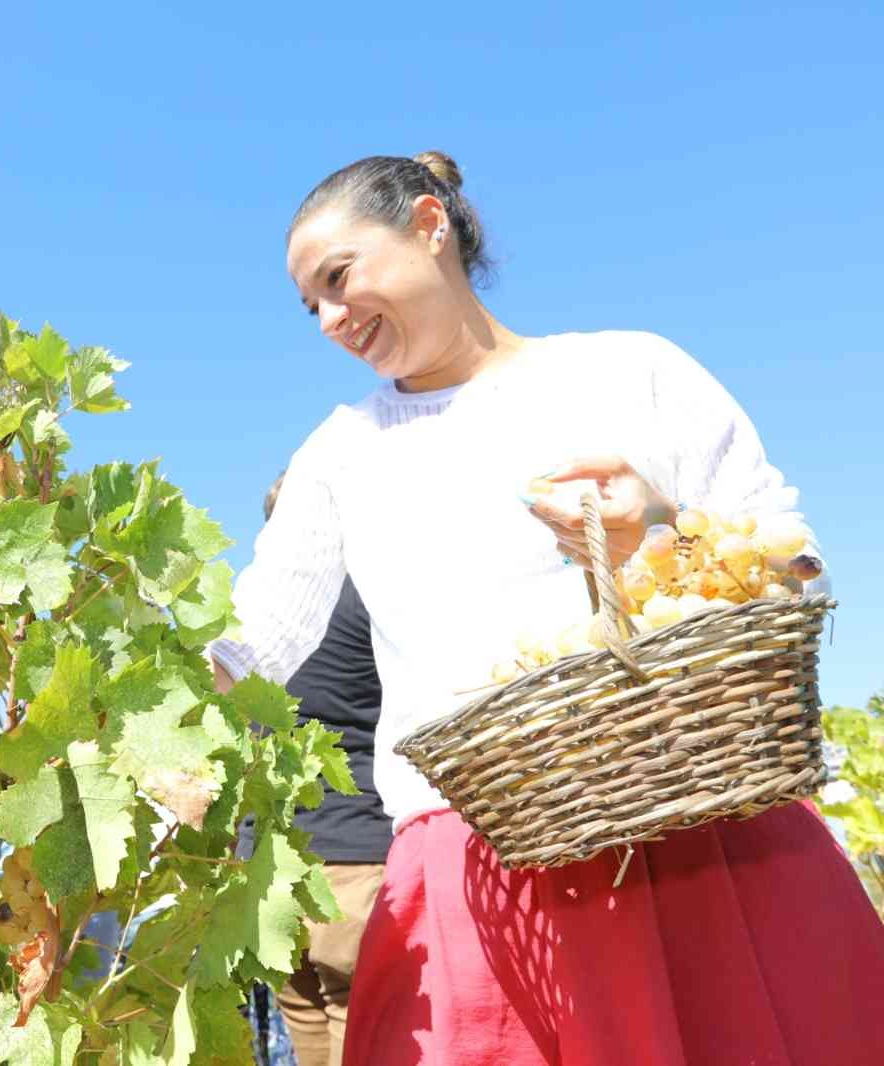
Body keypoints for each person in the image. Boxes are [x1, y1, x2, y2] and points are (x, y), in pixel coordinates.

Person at [209, 152, 884, 1066]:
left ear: (428, 226)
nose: (331, 321)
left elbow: (796, 564)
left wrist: (662, 526)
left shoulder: (631, 371)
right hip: (479, 874)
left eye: (339, 278)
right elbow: (254, 646)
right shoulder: (338, 455)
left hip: (704, 834)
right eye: (311, 306)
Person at [240, 475, 391, 1066]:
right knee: (364, 1022)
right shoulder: (367, 599)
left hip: (265, 869)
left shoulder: (244, 617)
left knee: (302, 1019)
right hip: (352, 858)